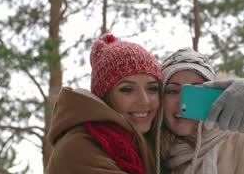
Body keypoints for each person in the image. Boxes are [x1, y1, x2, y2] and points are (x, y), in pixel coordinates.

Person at [46, 33, 163, 174]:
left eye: (152, 88)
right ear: (104, 97)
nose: (144, 100)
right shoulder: (81, 146)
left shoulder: (151, 144)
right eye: (127, 90)